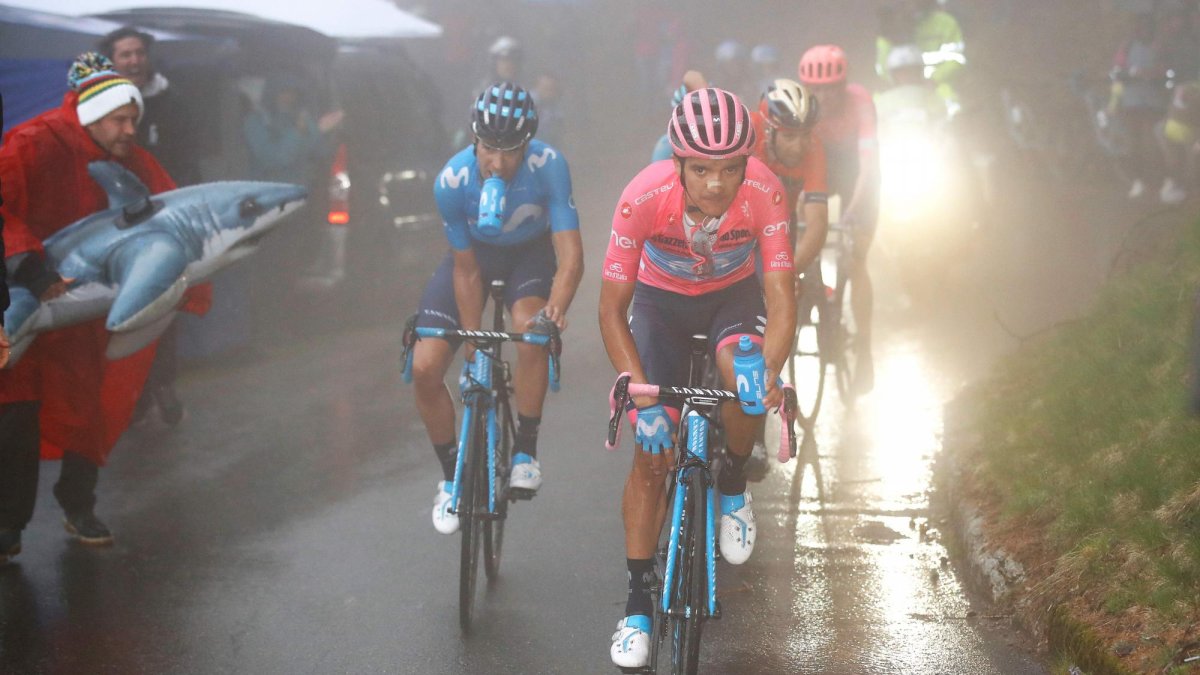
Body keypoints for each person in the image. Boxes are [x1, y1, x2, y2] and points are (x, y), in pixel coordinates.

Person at [600, 87, 796, 669]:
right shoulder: (642, 197)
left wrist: (771, 372)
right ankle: (637, 606)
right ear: (678, 163)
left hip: (731, 300)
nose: (716, 184)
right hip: (658, 305)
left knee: (747, 377)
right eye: (702, 170)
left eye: (731, 169)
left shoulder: (765, 192)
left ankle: (732, 479)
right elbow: (611, 310)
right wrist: (642, 403)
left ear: (747, 165)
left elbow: (782, 299)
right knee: (650, 457)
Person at [0, 53, 193, 555]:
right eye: (120, 120)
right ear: (93, 116)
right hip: (22, 291)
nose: (130, 130)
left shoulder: (132, 160)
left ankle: (78, 502)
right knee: (15, 413)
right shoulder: (32, 142)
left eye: (134, 119)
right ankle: (8, 526)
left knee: (90, 406)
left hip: (84, 306)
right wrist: (28, 265)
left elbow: (174, 211)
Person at [411, 82, 583, 535]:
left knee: (530, 330)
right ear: (474, 140)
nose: (499, 163)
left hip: (529, 255)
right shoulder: (452, 181)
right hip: (473, 259)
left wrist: (556, 309)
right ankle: (451, 477)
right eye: (489, 148)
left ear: (527, 145)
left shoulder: (549, 166)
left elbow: (571, 255)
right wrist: (473, 347)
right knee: (425, 364)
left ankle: (525, 449)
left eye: (510, 151)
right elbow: (466, 270)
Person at [100, 25, 200, 426]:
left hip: (164, 222)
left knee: (162, 304)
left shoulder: (172, 101)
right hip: (114, 225)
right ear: (112, 61)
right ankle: (133, 393)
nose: (134, 61)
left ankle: (162, 383)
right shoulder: (98, 105)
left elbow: (188, 161)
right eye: (125, 55)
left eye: (139, 53)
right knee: (121, 309)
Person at [798, 44, 880, 394]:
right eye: (816, 89)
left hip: (857, 176)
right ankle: (812, 285)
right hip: (822, 170)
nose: (824, 96)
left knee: (856, 259)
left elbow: (868, 167)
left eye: (831, 88)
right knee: (798, 217)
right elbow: (796, 165)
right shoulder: (802, 107)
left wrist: (851, 213)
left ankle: (865, 347)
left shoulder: (860, 101)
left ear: (844, 86)